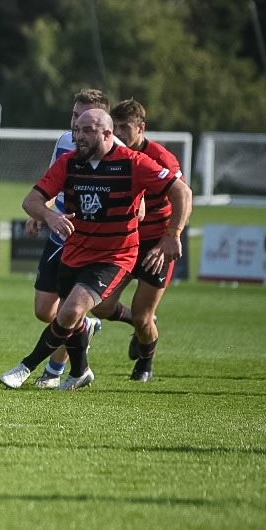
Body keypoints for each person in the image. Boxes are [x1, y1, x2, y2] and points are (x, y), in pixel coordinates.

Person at [0, 107, 191, 392]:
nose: (79, 136)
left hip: (115, 255)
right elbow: (31, 200)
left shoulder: (134, 162)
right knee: (74, 316)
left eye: (87, 131)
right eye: (77, 130)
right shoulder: (69, 162)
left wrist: (173, 234)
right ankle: (80, 371)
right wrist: (50, 216)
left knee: (73, 310)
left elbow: (182, 191)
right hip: (75, 251)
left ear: (107, 133)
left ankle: (26, 367)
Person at [91, 98, 192, 381]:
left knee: (142, 315)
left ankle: (144, 363)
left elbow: (184, 195)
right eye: (116, 127)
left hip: (155, 245)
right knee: (100, 305)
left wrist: (172, 235)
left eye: (126, 127)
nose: (120, 133)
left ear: (141, 128)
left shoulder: (161, 158)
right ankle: (139, 324)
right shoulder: (108, 155)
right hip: (123, 241)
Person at [25, 89, 111, 388]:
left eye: (82, 119)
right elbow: (52, 180)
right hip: (61, 233)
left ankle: (53, 372)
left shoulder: (119, 152)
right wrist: (41, 212)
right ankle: (85, 325)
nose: (75, 126)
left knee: (67, 310)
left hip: (93, 243)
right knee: (44, 311)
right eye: (74, 117)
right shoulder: (64, 142)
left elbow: (136, 206)